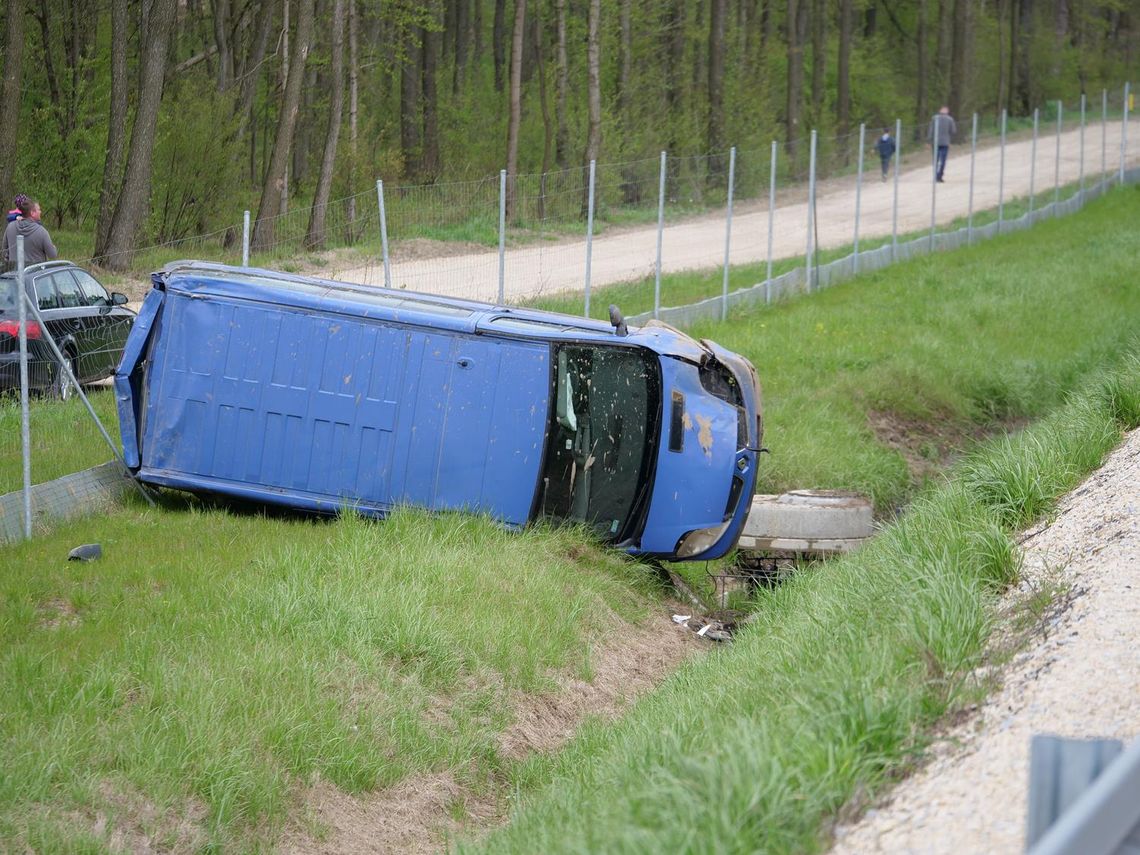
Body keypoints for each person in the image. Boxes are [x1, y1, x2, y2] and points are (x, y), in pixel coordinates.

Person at [3, 194, 58, 267]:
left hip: (14, 274)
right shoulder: (41, 231)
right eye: (39, 209)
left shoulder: (10, 227)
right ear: (32, 213)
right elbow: (53, 255)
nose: (40, 212)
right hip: (35, 275)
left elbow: (4, 251)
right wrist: (53, 247)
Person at [929, 106, 957, 183]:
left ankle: (935, 175)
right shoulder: (950, 119)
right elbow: (953, 131)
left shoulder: (934, 118)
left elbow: (931, 130)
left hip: (935, 142)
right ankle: (940, 175)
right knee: (943, 160)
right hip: (945, 142)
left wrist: (929, 140)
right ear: (947, 112)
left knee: (935, 160)